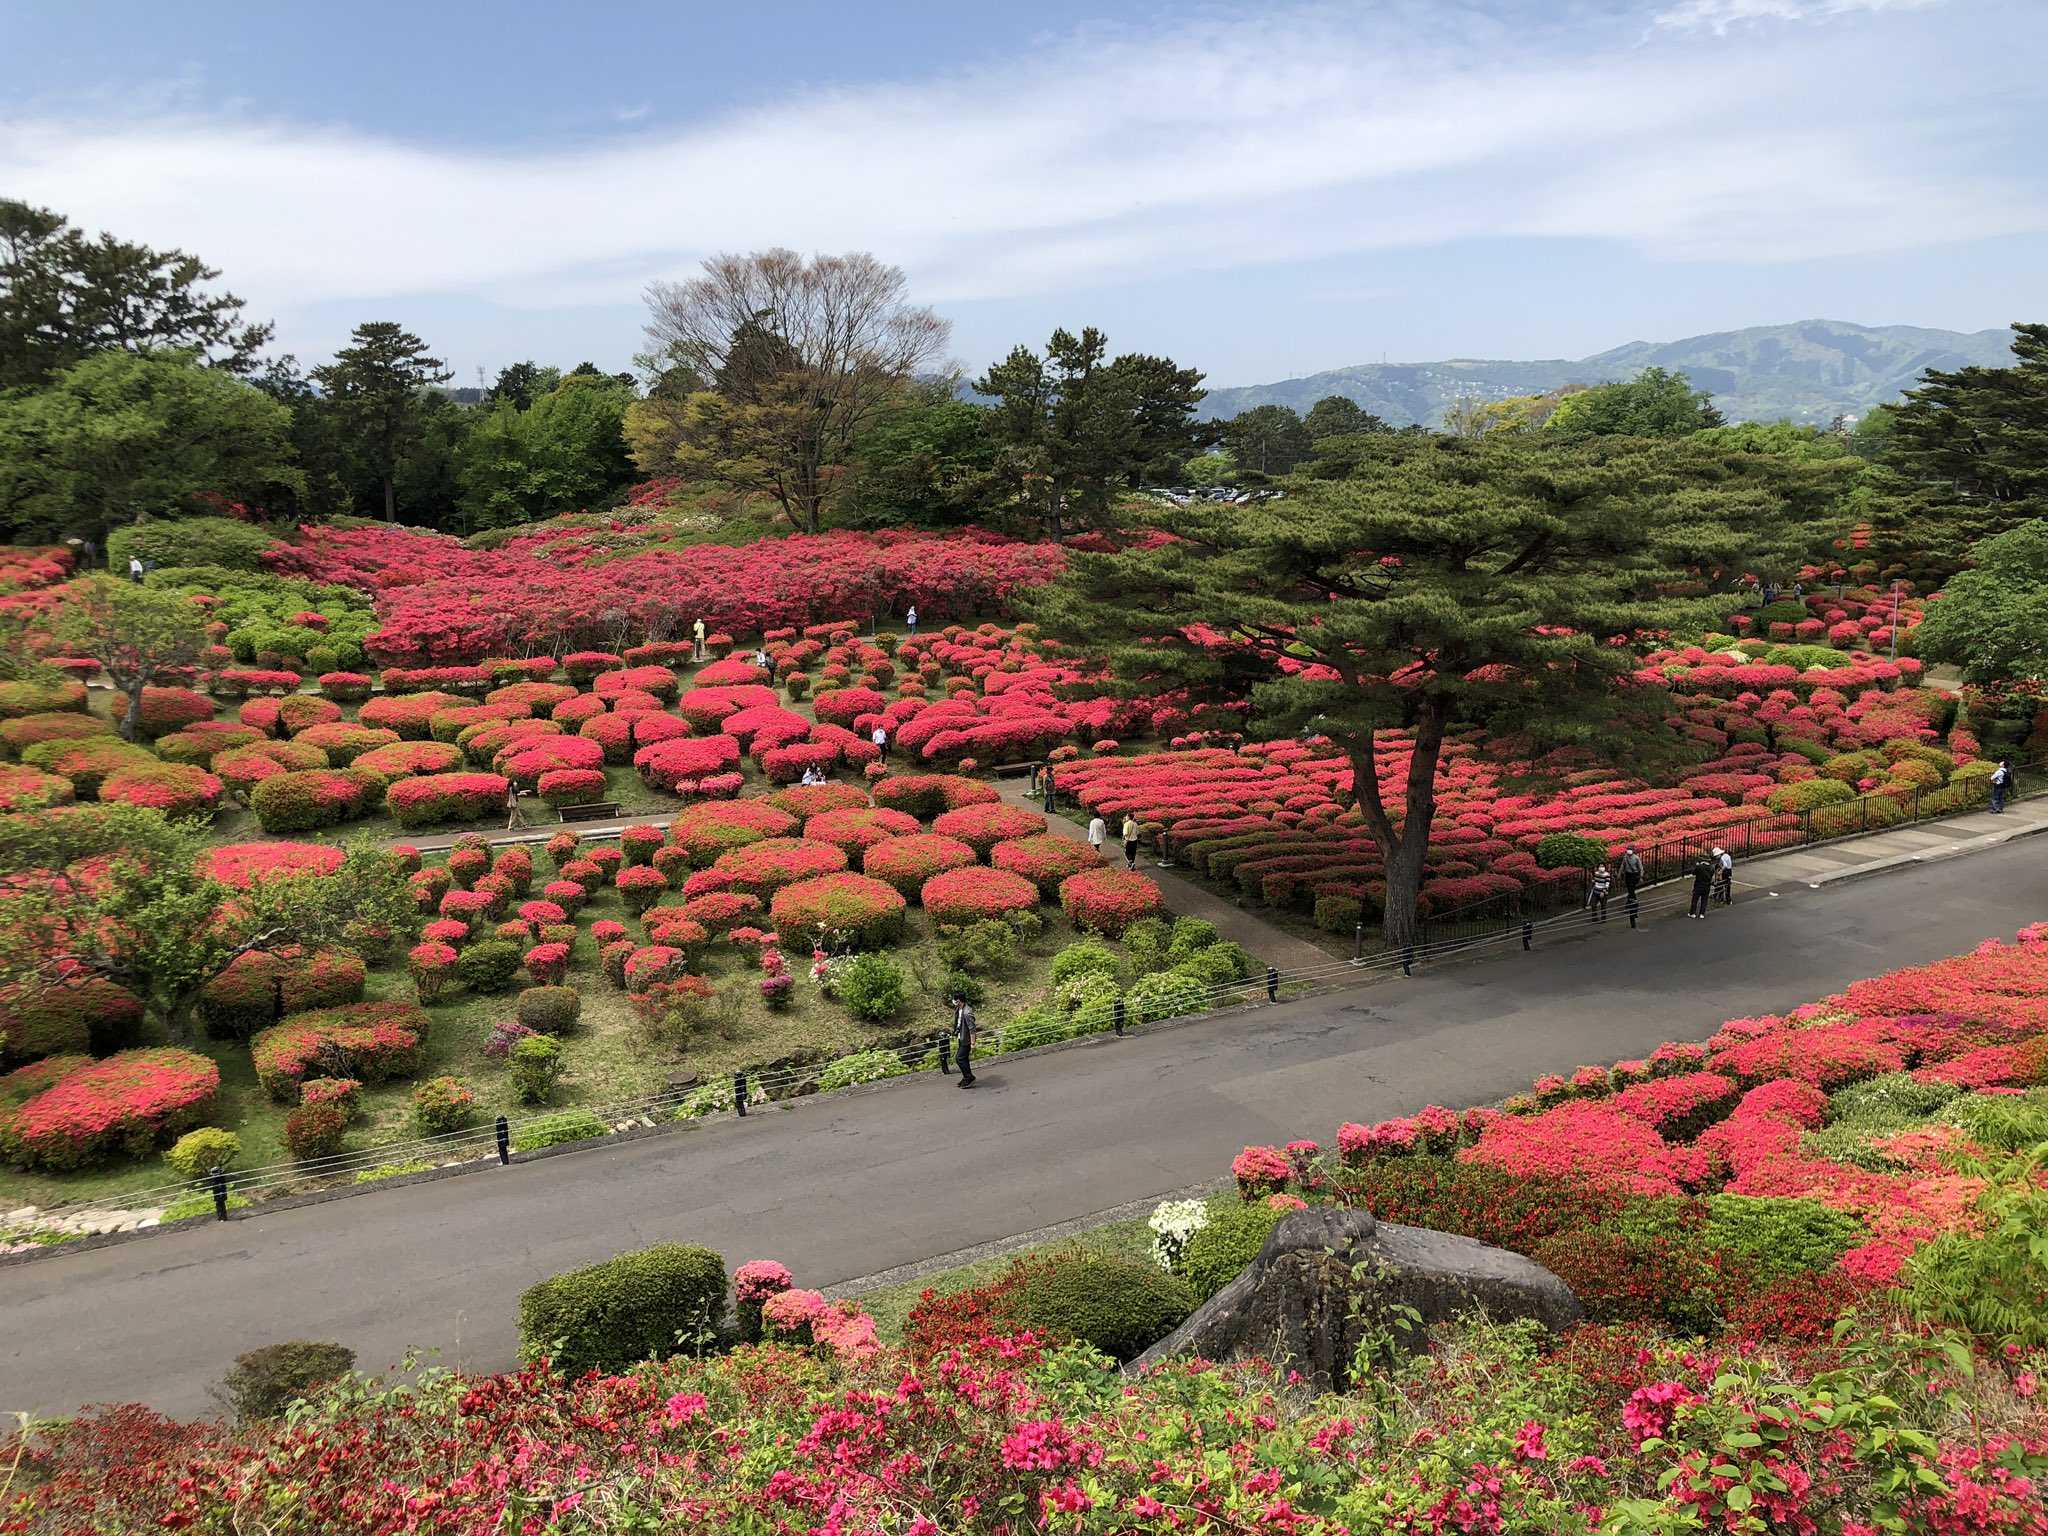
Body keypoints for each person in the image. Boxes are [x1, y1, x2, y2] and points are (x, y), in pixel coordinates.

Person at [952, 995, 977, 1088]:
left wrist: (973, 1043)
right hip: (961, 1037)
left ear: (959, 1000)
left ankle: (969, 1077)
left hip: (966, 1040)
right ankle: (967, 1077)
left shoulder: (967, 1012)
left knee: (959, 1058)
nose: (953, 1001)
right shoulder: (959, 1009)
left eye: (955, 1000)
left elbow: (972, 1029)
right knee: (964, 1059)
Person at [1687, 853, 1714, 918]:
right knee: (1704, 900)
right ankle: (1702, 913)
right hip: (1707, 886)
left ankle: (1692, 913)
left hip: (1698, 885)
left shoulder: (1699, 867)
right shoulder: (1711, 868)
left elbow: (1693, 873)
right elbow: (1711, 875)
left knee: (1695, 899)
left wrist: (1697, 866)